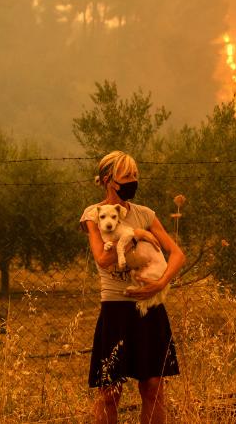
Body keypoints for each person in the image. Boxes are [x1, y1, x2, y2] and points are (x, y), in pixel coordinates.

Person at [79, 150, 186, 424]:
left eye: (135, 175)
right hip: (115, 309)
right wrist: (134, 235)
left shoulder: (146, 214)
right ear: (107, 180)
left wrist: (160, 283)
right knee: (109, 392)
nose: (133, 181)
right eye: (126, 176)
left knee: (153, 388)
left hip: (150, 309)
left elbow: (177, 255)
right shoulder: (95, 214)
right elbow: (103, 259)